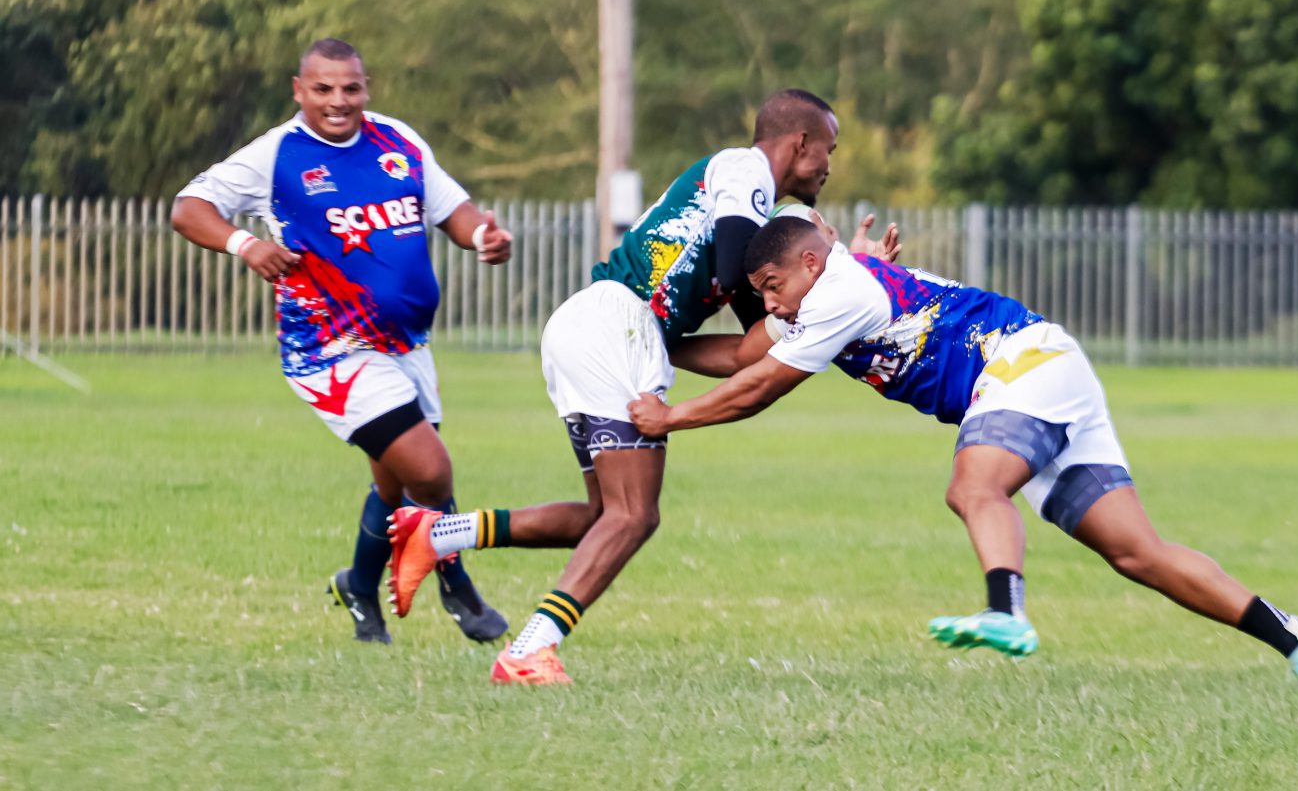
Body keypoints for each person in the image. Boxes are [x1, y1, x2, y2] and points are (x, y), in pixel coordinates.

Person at [624, 214, 1298, 690]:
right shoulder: (823, 295)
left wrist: (667, 419)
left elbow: (756, 390)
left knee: (973, 487)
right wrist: (655, 340)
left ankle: (1007, 611)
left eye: (774, 287)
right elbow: (743, 353)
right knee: (1137, 553)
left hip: (1023, 367)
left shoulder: (838, 292)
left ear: (809, 262)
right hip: (1041, 375)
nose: (771, 305)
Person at [385, 90, 899, 685]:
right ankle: (528, 651)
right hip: (617, 327)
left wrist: (839, 279)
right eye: (828, 150)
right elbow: (738, 272)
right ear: (800, 144)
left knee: (603, 516)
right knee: (634, 516)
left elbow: (744, 351)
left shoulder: (753, 216)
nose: (829, 165)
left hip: (611, 328)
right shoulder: (746, 170)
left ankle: (439, 532)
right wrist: (823, 257)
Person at [170, 38, 511, 645]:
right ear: (298, 90)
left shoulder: (397, 141)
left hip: (406, 345)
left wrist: (484, 236)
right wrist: (245, 245)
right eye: (322, 89)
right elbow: (188, 208)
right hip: (332, 353)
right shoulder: (276, 154)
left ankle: (358, 584)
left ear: (366, 87)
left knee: (395, 481)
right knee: (430, 472)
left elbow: (455, 211)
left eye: (349, 88)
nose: (337, 101)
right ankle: (455, 582)